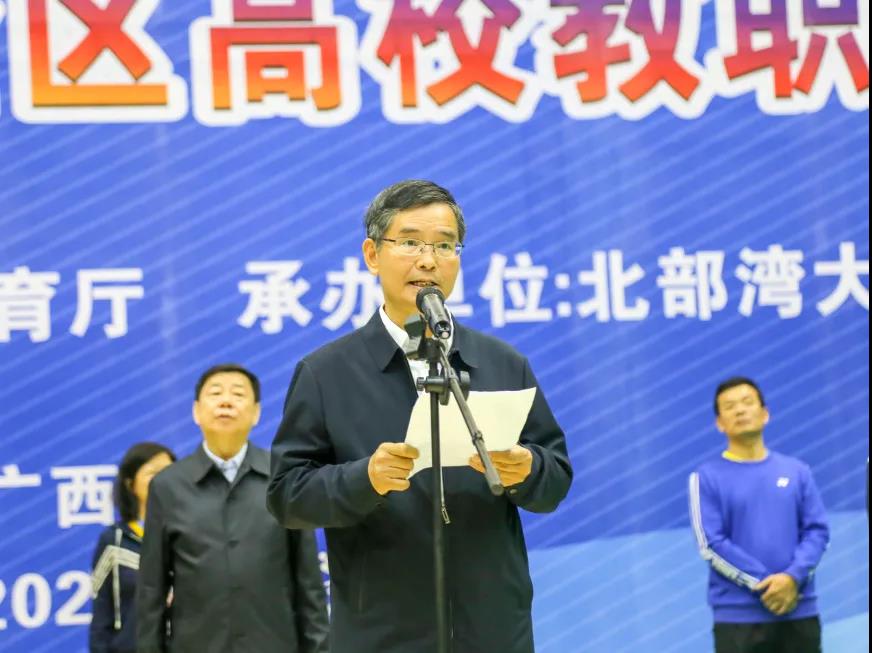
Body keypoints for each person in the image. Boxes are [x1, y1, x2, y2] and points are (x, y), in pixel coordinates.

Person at [268, 180, 573, 653]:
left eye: (445, 245)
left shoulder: (502, 363)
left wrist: (528, 470)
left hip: (492, 631)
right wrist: (364, 478)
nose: (429, 260)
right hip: (381, 635)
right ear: (372, 254)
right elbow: (288, 496)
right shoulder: (326, 373)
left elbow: (556, 478)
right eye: (410, 242)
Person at [136, 364, 329, 653]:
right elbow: (152, 589)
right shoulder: (167, 486)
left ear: (256, 413)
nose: (226, 401)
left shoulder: (284, 477)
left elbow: (309, 585)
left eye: (238, 394)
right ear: (196, 411)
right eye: (215, 393)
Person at [689, 377, 830, 653]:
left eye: (747, 402)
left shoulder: (797, 471)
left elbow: (817, 532)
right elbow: (711, 543)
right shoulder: (706, 477)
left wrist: (792, 578)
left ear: (765, 414)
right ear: (719, 423)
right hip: (738, 619)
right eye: (730, 406)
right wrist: (766, 585)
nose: (740, 410)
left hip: (799, 610)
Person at [90, 442, 175, 653]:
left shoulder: (191, 535)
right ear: (130, 484)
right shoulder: (114, 541)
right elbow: (102, 616)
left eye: (169, 472)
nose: (163, 480)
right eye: (153, 473)